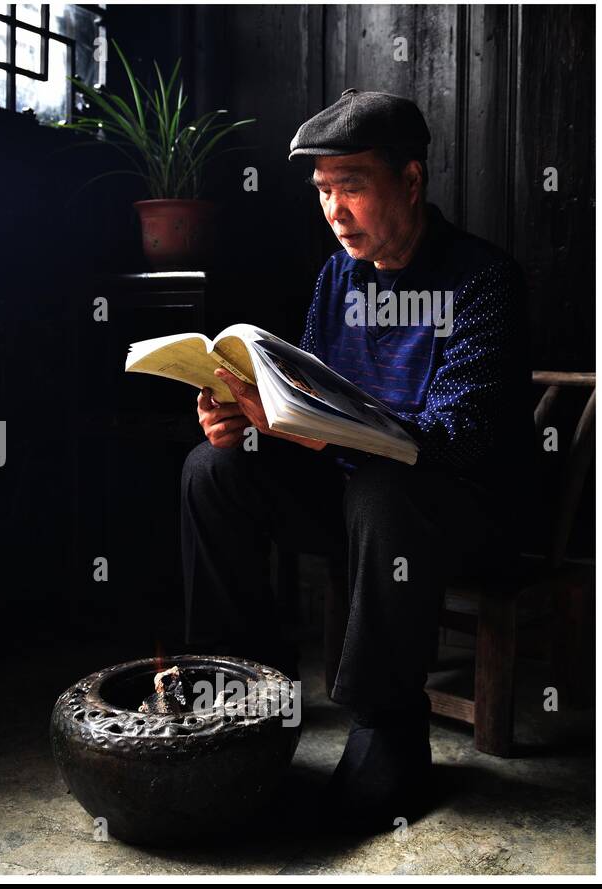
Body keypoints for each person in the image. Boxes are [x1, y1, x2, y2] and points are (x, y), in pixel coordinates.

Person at [180, 89, 534, 831]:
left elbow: (462, 434)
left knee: (383, 482)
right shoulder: (336, 279)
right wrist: (248, 418)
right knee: (213, 470)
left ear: (409, 181)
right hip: (354, 504)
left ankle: (388, 729)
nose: (335, 211)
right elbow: (308, 398)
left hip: (462, 518)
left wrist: (340, 435)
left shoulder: (483, 280)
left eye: (353, 188)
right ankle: (244, 691)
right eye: (323, 192)